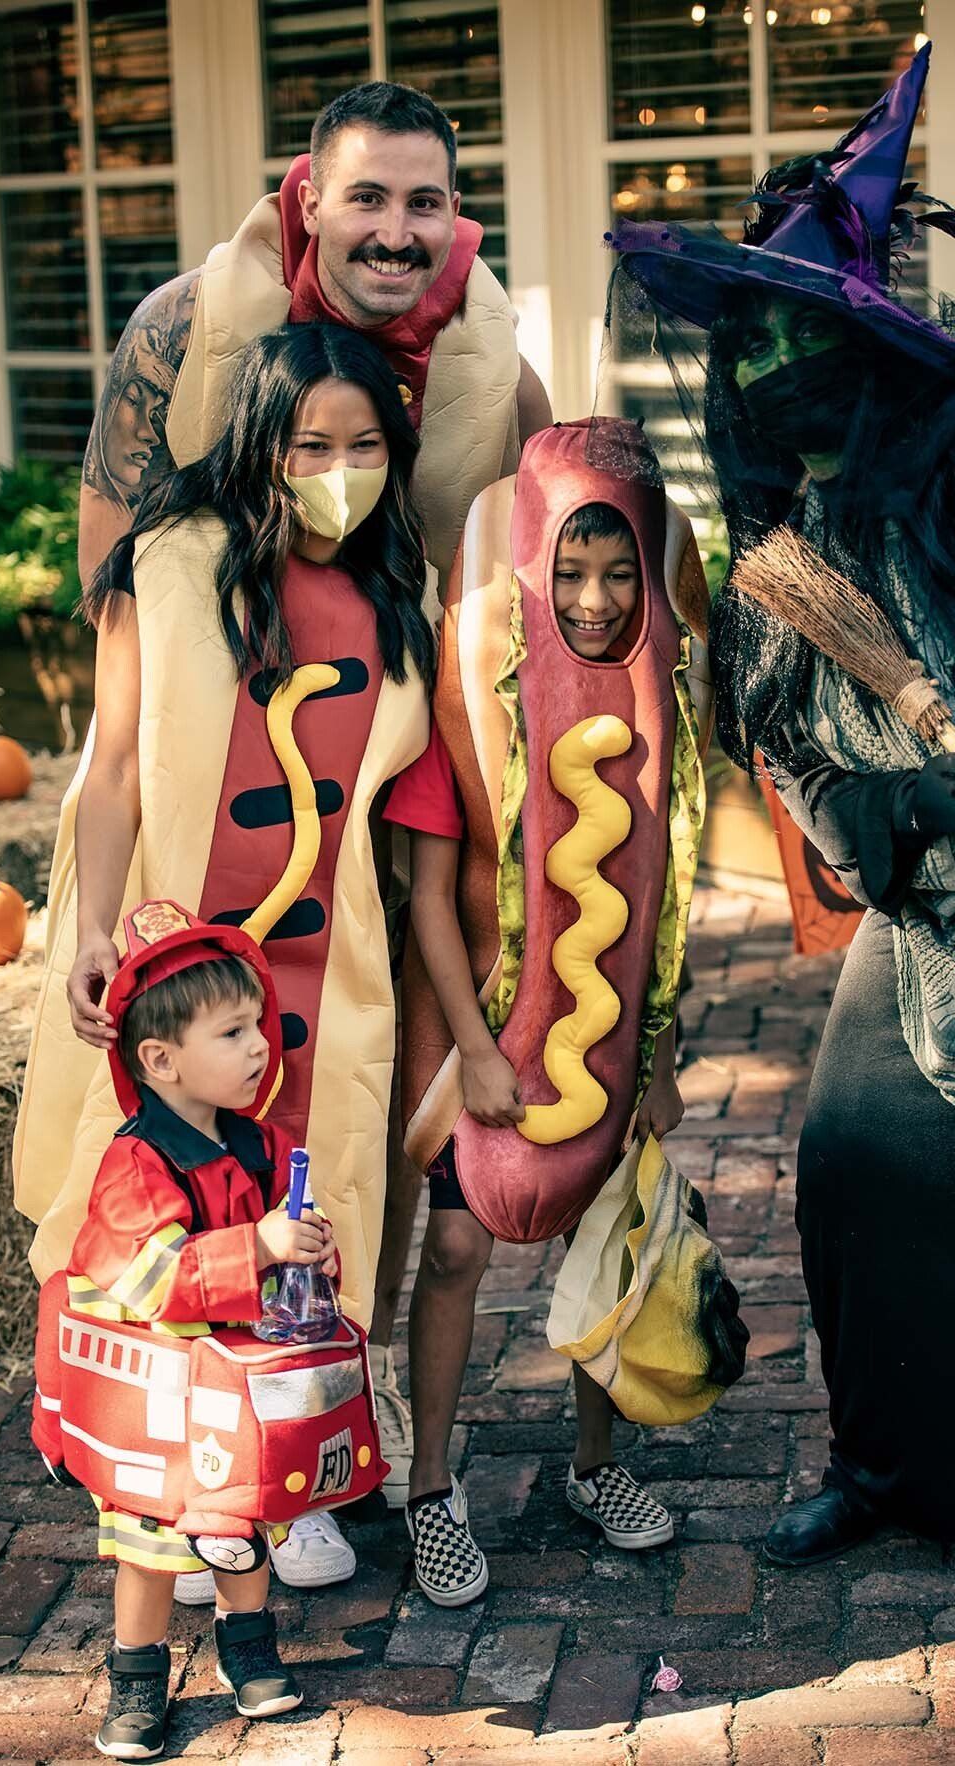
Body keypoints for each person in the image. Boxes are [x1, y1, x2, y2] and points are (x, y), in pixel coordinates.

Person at [607, 42, 955, 1562]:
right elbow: (812, 777)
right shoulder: (796, 536)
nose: (781, 394)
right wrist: (911, 792)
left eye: (810, 361)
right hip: (946, 874)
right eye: (755, 366)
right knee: (851, 1150)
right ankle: (885, 1461)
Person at [72, 78, 554, 1547]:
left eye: (425, 204)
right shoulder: (184, 332)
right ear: (308, 197)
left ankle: (336, 1396)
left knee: (351, 1125)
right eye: (367, 199)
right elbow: (124, 593)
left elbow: (530, 585)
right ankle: (183, 1410)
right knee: (187, 1136)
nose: (396, 233)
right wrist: (107, 891)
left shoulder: (491, 365)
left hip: (390, 773)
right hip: (209, 800)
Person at [14, 322, 433, 1597]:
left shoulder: (396, 597)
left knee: (309, 1211)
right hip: (183, 964)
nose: (339, 468)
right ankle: (168, 1465)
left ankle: (285, 1470)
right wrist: (92, 929)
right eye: (313, 443)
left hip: (326, 984)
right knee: (165, 1198)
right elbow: (117, 764)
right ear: (262, 442)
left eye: (365, 446)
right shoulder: (169, 563)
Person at [384, 419, 716, 1604]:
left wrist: (664, 1054)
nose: (592, 597)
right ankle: (430, 1484)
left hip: (611, 1028)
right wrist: (473, 1052)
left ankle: (593, 1459)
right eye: (568, 572)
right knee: (461, 1242)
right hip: (473, 1022)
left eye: (619, 569)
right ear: (529, 567)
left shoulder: (661, 707)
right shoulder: (469, 693)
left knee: (600, 1233)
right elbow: (428, 896)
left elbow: (662, 893)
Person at [50, 904, 328, 1760]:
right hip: (161, 1402)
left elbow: (296, 1263)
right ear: (160, 1059)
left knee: (238, 1524)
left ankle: (247, 1653)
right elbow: (155, 1280)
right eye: (233, 1030)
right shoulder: (135, 1166)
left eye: (257, 1024)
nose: (259, 1045)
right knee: (153, 1544)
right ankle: (136, 1677)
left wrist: (311, 1258)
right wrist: (260, 1247)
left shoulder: (263, 1148)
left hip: (235, 1392)